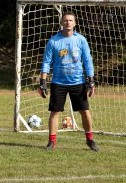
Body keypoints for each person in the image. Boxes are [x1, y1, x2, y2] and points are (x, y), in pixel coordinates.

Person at [39, 11, 99, 151]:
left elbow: (88, 60)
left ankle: (90, 140)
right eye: (65, 20)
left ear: (75, 23)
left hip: (77, 82)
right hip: (58, 82)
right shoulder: (53, 41)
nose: (68, 23)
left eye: (70, 20)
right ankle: (52, 141)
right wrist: (42, 82)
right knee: (55, 112)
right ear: (61, 23)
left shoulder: (81, 40)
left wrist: (91, 80)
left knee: (85, 111)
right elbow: (47, 61)